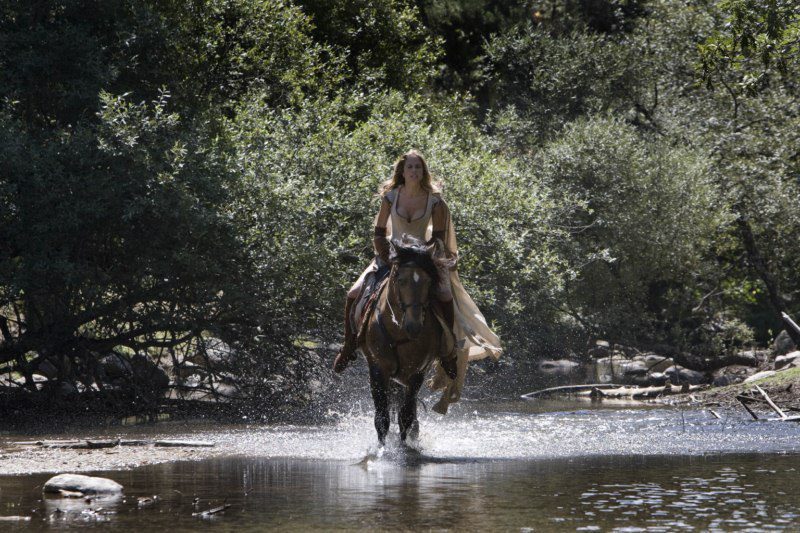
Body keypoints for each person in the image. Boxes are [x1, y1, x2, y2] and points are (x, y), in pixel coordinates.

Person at [333, 150, 502, 413]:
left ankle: (447, 354)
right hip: (392, 257)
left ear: (423, 172)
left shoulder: (434, 201)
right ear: (402, 170)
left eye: (418, 168)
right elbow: (379, 232)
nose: (414, 172)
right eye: (410, 167)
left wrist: (427, 256)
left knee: (444, 295)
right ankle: (348, 347)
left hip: (422, 258)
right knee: (353, 293)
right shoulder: (391, 197)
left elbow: (439, 238)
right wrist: (387, 258)